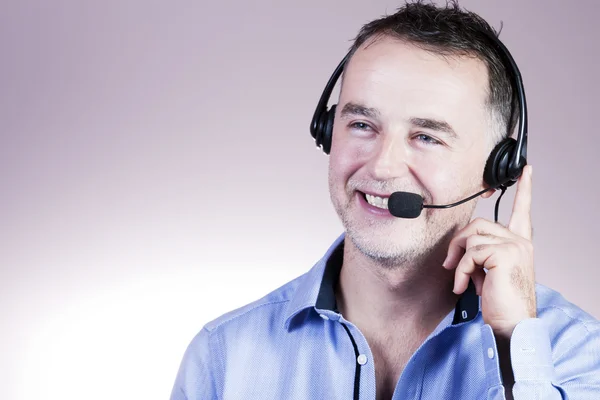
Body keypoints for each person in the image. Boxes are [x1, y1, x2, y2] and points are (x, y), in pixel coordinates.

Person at [170, 2, 600, 399]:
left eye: (426, 137)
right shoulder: (223, 358)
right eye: (361, 124)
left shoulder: (576, 354)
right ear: (326, 131)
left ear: (497, 171)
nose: (381, 167)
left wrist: (514, 345)